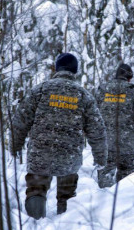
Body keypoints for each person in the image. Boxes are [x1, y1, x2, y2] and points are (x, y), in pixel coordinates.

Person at [10, 53, 107, 219]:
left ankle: (35, 227)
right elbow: (97, 130)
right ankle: (65, 227)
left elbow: (20, 120)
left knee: (36, 190)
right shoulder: (83, 95)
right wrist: (101, 158)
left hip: (41, 152)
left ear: (57, 68)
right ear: (74, 71)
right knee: (67, 195)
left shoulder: (40, 90)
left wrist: (15, 145)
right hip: (69, 154)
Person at [96, 63, 134, 188]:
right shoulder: (133, 91)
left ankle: (104, 199)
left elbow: (92, 113)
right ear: (129, 78)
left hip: (105, 140)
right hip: (126, 141)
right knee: (127, 174)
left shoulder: (102, 90)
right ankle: (124, 198)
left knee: (105, 170)